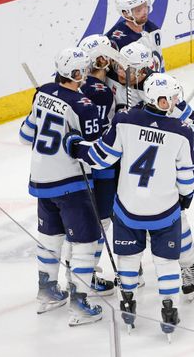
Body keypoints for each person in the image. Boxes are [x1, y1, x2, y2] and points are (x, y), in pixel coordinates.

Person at [64, 73, 194, 337]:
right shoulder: (182, 132)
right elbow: (188, 178)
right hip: (164, 211)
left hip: (128, 209)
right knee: (166, 262)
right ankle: (168, 307)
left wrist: (76, 146)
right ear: (158, 99)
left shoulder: (124, 121)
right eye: (170, 98)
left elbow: (102, 157)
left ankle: (127, 301)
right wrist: (185, 197)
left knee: (128, 258)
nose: (173, 102)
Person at [105, 41, 194, 299]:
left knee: (176, 218)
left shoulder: (161, 89)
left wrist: (177, 142)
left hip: (158, 166)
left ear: (142, 71)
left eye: (127, 69)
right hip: (125, 159)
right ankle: (131, 266)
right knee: (126, 213)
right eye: (119, 67)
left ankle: (186, 265)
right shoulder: (113, 83)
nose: (120, 72)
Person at [18, 47, 103, 325]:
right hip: (71, 183)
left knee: (49, 238)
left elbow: (25, 134)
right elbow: (93, 153)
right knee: (85, 242)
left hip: (41, 180)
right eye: (84, 70)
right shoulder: (84, 105)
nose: (87, 74)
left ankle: (47, 292)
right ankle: (79, 304)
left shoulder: (41, 92)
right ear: (75, 73)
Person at [77, 34, 119, 296]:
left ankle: (78, 268)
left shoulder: (77, 86)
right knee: (101, 220)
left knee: (81, 221)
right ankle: (88, 271)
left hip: (76, 162)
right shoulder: (101, 92)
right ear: (101, 60)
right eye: (110, 55)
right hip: (101, 163)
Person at [107, 0, 164, 74]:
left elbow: (158, 59)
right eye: (138, 10)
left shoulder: (153, 29)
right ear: (125, 13)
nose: (144, 12)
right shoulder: (117, 41)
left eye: (145, 6)